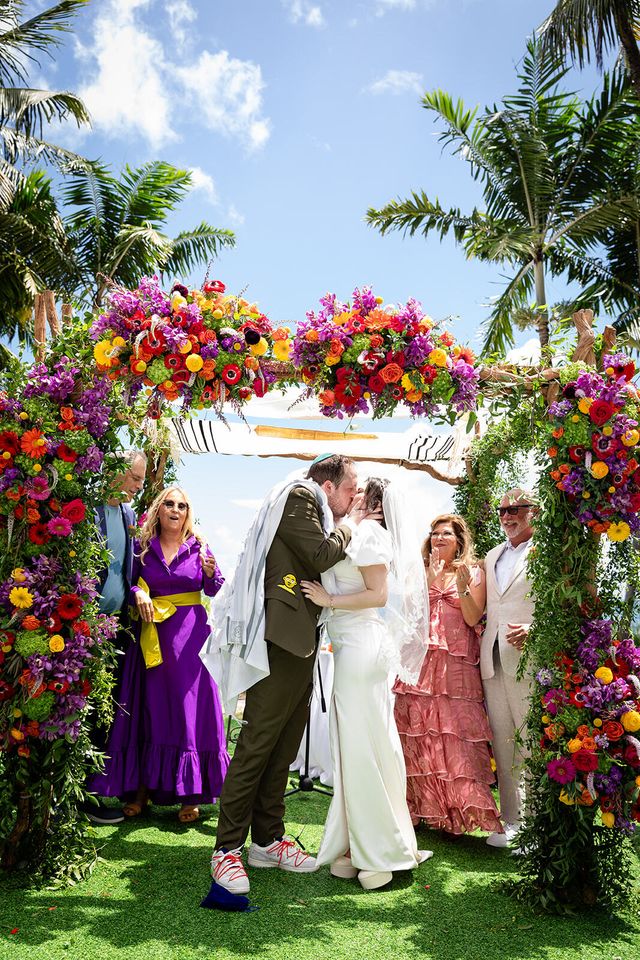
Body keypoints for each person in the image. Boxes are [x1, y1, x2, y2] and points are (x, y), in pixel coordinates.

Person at [205, 454, 357, 895]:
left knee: (284, 746)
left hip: (301, 639)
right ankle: (226, 849)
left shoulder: (314, 506)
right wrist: (351, 526)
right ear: (328, 487)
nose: (354, 499)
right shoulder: (299, 498)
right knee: (257, 744)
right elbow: (321, 554)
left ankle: (267, 840)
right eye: (350, 489)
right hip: (278, 640)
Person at [301, 478, 432, 891]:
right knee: (360, 745)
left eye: (358, 491)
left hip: (361, 646)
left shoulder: (372, 534)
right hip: (348, 645)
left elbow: (377, 595)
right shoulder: (356, 531)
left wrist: (328, 601)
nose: (351, 495)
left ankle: (380, 853)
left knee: (361, 748)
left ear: (372, 501)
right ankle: (356, 846)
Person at [90, 486, 229, 824]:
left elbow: (215, 588)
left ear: (188, 513)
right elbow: (129, 582)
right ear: (158, 509)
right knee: (148, 710)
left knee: (185, 713)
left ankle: (190, 795)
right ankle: (139, 791)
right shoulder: (142, 547)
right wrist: (137, 593)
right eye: (169, 503)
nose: (175, 509)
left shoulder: (199, 546)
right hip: (150, 638)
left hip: (190, 641)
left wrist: (211, 573)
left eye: (182, 505)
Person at [393, 514, 502, 836]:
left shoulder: (474, 572)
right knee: (418, 732)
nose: (438, 538)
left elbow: (472, 618)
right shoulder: (418, 571)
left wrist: (463, 588)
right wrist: (429, 578)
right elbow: (407, 615)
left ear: (459, 541)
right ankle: (418, 809)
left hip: (456, 666)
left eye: (446, 534)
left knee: (455, 735)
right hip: (420, 662)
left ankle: (456, 814)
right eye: (435, 533)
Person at [82, 449, 147, 825]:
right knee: (81, 709)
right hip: (83, 628)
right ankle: (73, 796)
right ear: (116, 471)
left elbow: (129, 570)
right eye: (135, 478)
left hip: (116, 629)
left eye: (140, 480)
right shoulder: (86, 509)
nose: (138, 486)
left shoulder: (128, 515)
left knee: (103, 711)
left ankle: (90, 793)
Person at [480, 488, 536, 848]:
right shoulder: (492, 555)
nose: (506, 516)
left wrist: (535, 630)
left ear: (534, 511)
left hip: (530, 659)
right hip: (493, 657)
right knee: (503, 745)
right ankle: (512, 822)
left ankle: (537, 827)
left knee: (531, 742)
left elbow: (560, 605)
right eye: (502, 511)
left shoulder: (546, 552)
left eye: (515, 509)